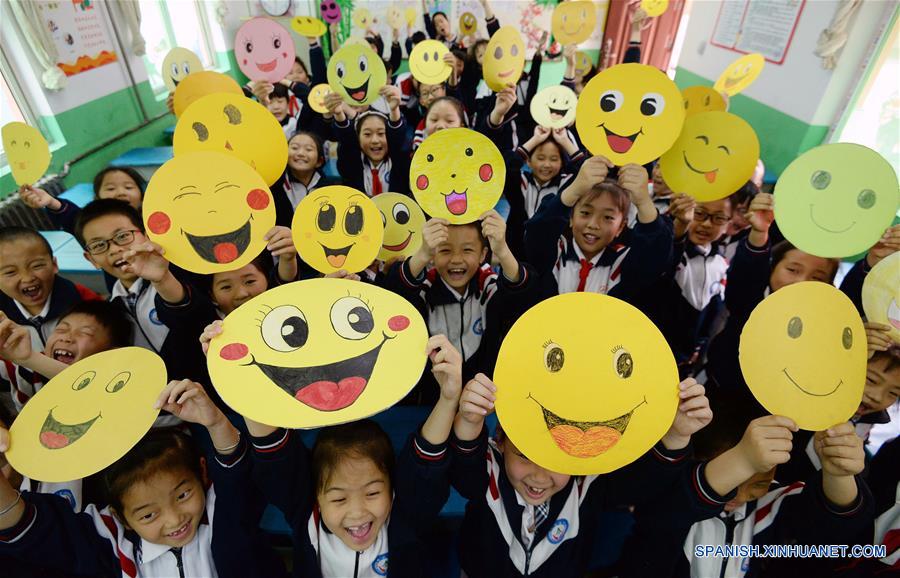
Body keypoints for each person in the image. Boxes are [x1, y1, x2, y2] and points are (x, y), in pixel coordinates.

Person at [200, 321, 464, 577]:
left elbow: (425, 462)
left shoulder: (404, 518)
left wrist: (449, 398)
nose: (358, 512)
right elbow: (276, 457)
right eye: (338, 498)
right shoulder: (306, 515)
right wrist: (235, 376)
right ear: (316, 494)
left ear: (392, 487)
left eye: (372, 492)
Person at [0, 380, 286, 577]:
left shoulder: (222, 512)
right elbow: (29, 526)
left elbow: (235, 473)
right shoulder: (109, 540)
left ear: (201, 472)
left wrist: (216, 422)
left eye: (183, 495)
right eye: (148, 515)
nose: (175, 520)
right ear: (121, 517)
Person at [449, 374, 713, 577]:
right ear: (500, 442)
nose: (540, 476)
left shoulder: (588, 484)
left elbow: (642, 483)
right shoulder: (486, 471)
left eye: (557, 460)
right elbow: (464, 469)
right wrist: (469, 421)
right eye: (525, 456)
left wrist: (677, 435)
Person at [623, 403, 875, 578]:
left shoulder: (771, 505)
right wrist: (742, 460)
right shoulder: (669, 500)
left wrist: (838, 474)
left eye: (758, 484)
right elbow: (660, 516)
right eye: (732, 482)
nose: (740, 498)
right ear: (697, 461)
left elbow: (836, 526)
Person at [384, 211, 537, 404]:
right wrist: (422, 254)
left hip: (481, 402)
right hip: (429, 402)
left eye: (467, 250)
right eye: (445, 250)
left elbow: (526, 297)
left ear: (483, 254)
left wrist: (503, 250)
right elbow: (391, 296)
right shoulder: (424, 289)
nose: (456, 259)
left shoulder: (488, 286)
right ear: (432, 255)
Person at [73, 199, 211, 384]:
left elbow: (199, 318)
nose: (115, 249)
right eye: (98, 245)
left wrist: (163, 280)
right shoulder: (111, 309)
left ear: (146, 235)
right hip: (160, 406)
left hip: (215, 392)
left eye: (122, 236)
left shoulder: (179, 276)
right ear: (91, 259)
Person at [525, 157, 673, 302]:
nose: (593, 224)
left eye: (608, 217)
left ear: (621, 227)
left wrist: (643, 202)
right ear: (570, 217)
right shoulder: (556, 251)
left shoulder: (623, 263)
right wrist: (574, 190)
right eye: (585, 213)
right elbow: (537, 232)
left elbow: (655, 255)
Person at [0, 301, 131, 411]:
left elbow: (89, 388)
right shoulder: (27, 368)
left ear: (111, 353)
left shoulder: (119, 384)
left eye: (85, 333)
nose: (66, 337)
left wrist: (30, 358)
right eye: (61, 330)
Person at [0, 226, 101, 352]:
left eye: (37, 266)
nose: (27, 278)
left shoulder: (87, 302)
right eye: (10, 272)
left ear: (54, 265)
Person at [327, 85, 411, 197]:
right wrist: (339, 114)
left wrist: (394, 109)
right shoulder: (352, 163)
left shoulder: (399, 161)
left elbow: (397, 137)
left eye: (381, 133)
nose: (375, 140)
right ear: (358, 138)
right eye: (367, 134)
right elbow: (347, 140)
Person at [20, 166, 146, 234]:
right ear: (97, 199)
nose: (120, 193)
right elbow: (73, 218)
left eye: (128, 187)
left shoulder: (153, 220)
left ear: (142, 197)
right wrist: (52, 202)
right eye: (110, 188)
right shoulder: (93, 226)